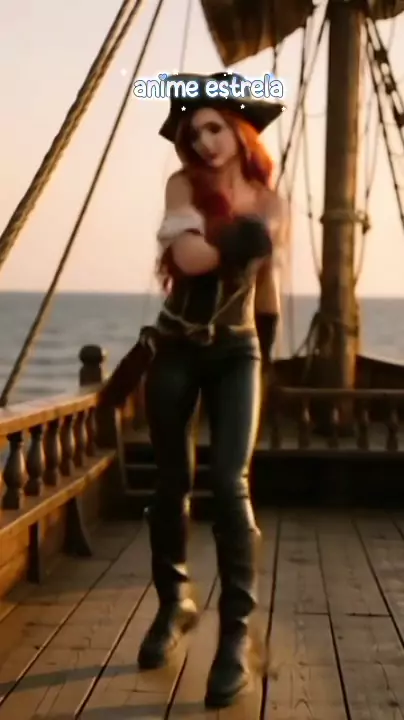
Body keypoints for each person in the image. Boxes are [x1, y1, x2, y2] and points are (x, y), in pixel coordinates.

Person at [102, 71, 288, 708]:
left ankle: (235, 633)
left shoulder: (269, 199)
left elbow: (266, 285)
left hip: (238, 351)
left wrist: (269, 352)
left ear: (239, 133)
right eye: (193, 131)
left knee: (230, 484)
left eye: (215, 128)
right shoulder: (182, 186)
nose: (204, 141)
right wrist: (237, 238)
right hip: (177, 345)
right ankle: (173, 603)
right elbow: (188, 260)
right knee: (170, 481)